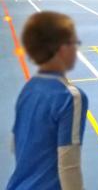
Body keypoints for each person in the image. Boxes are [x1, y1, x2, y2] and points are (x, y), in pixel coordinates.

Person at [7, 12, 87, 190]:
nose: (76, 49)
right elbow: (69, 166)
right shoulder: (70, 97)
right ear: (62, 49)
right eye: (75, 43)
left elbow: (15, 145)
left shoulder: (28, 89)